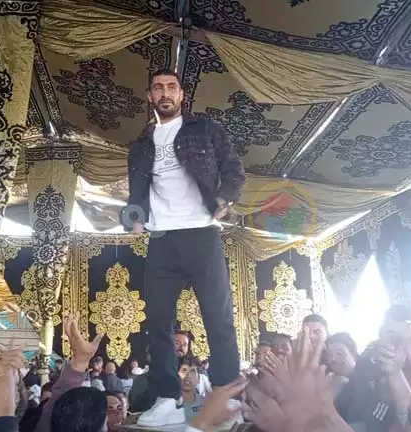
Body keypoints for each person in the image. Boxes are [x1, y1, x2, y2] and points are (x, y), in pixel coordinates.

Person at [127, 68, 245, 427]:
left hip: (201, 233)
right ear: (150, 96)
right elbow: (136, 192)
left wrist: (224, 198)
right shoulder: (141, 145)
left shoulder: (204, 129)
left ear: (181, 95)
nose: (165, 93)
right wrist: (135, 218)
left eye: (171, 87)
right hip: (162, 239)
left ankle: (226, 396)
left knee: (218, 317)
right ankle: (167, 397)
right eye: (158, 88)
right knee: (158, 322)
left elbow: (233, 169)